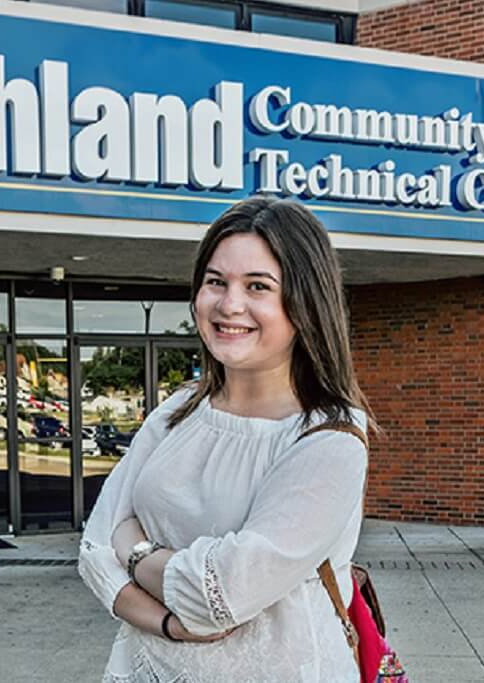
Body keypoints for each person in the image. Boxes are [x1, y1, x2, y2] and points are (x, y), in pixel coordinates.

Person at [78, 197, 375, 682]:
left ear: (305, 303)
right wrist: (168, 623)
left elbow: (221, 593)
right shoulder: (178, 411)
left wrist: (134, 550)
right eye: (216, 282)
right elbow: (94, 548)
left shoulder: (329, 438)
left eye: (258, 286)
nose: (228, 304)